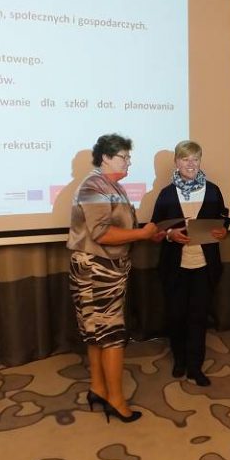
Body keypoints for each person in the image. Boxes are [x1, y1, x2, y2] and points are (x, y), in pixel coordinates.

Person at [68, 134, 159, 423]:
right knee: (112, 336)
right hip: (96, 270)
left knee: (98, 333)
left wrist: (149, 234)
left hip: (106, 269)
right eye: (124, 156)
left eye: (129, 157)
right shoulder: (93, 186)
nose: (129, 161)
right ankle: (116, 401)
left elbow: (121, 228)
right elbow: (102, 233)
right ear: (105, 157)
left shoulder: (110, 185)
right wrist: (141, 234)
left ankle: (98, 388)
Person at [151, 140, 228, 387]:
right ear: (176, 162)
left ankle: (195, 367)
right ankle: (180, 361)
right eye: (185, 159)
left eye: (195, 159)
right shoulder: (166, 194)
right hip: (175, 266)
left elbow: (223, 220)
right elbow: (154, 230)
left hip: (204, 266)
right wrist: (170, 235)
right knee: (177, 316)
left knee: (198, 317)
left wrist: (223, 231)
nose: (191, 164)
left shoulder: (213, 191)